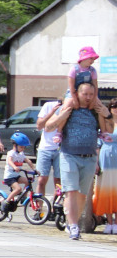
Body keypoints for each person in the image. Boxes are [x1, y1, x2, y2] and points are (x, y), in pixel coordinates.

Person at [45, 81, 113, 240]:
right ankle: (74, 225)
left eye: (91, 94)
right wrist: (61, 116)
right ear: (77, 94)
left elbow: (109, 130)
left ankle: (71, 221)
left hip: (89, 157)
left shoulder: (95, 111)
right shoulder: (70, 108)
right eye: (85, 94)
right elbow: (48, 127)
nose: (88, 97)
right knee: (71, 190)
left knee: (82, 194)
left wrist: (107, 114)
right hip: (69, 155)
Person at [94, 100, 117, 234]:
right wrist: (96, 163)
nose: (115, 109)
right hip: (106, 156)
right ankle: (109, 222)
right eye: (112, 106)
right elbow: (98, 145)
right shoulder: (104, 122)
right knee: (106, 189)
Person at [34, 98, 63, 197]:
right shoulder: (48, 105)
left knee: (58, 181)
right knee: (41, 180)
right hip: (45, 148)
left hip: (60, 149)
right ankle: (39, 209)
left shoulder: (70, 108)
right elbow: (39, 126)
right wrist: (52, 112)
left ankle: (55, 208)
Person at [2, 132, 33, 209]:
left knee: (28, 181)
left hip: (16, 176)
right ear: (15, 145)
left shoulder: (21, 154)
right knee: (18, 189)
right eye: (21, 147)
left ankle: (23, 198)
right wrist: (14, 167)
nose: (23, 149)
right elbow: (9, 161)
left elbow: (28, 161)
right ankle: (6, 202)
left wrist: (35, 169)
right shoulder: (11, 153)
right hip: (9, 177)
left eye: (24, 147)